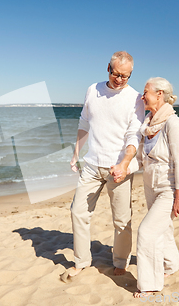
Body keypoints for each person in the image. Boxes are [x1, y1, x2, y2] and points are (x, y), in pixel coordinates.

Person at [62, 51, 145, 280]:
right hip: (91, 165)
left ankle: (120, 261)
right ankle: (81, 261)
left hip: (119, 168)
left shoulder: (135, 98)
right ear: (108, 68)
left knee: (121, 219)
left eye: (125, 76)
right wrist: (76, 153)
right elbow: (84, 122)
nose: (120, 79)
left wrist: (124, 164)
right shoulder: (93, 90)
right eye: (117, 74)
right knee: (78, 211)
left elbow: (133, 136)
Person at [132, 77, 179, 298]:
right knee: (164, 229)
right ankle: (172, 265)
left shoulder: (173, 123)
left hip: (168, 188)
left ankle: (150, 285)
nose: (142, 96)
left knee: (146, 232)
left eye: (146, 92)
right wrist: (122, 168)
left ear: (159, 94)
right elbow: (142, 159)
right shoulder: (148, 122)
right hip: (150, 185)